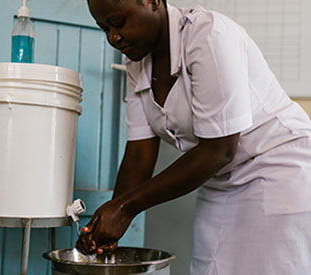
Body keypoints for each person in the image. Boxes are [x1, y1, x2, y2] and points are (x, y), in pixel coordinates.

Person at [77, 0, 311, 274]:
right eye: (104, 28)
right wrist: (110, 220)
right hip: (221, 180)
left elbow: (220, 149)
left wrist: (125, 208)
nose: (113, 38)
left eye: (118, 23)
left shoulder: (210, 35)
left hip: (277, 170)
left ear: (153, 1)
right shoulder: (137, 61)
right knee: (210, 268)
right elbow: (140, 152)